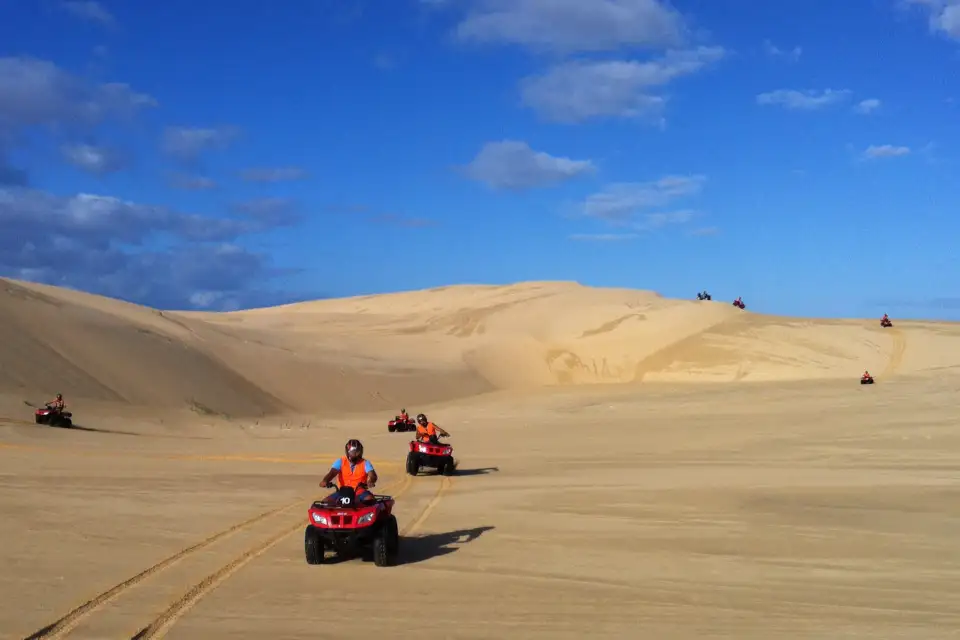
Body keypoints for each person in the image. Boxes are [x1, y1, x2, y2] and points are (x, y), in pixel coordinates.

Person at [319, 439, 378, 505]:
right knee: (325, 502)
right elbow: (332, 473)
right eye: (352, 451)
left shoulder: (365, 463)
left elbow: (373, 475)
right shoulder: (340, 461)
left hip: (359, 492)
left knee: (369, 500)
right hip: (342, 492)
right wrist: (325, 480)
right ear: (347, 451)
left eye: (357, 451)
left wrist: (371, 481)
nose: (355, 453)